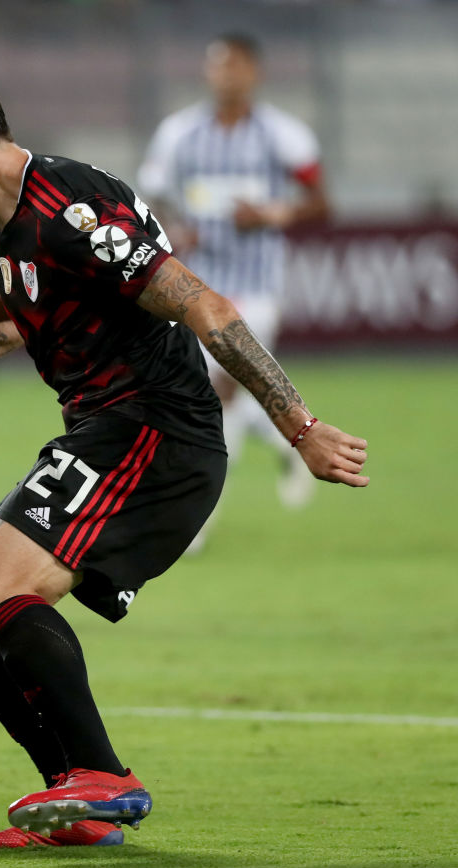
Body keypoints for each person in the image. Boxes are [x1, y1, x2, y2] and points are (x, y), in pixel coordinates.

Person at [0, 68, 368, 849]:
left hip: (156, 434)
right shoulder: (10, 220)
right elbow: (14, 312)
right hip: (105, 430)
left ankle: (105, 777)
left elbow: (203, 303)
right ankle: (71, 802)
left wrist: (297, 424)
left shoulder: (69, 211)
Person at [137, 34, 330, 547]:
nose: (227, 75)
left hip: (256, 286)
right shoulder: (179, 134)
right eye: (219, 66)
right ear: (208, 72)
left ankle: (194, 515)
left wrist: (268, 214)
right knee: (218, 391)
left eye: (237, 66)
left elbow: (319, 202)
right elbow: (148, 202)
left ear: (255, 73)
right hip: (195, 285)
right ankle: (290, 437)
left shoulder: (281, 135)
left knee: (217, 390)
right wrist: (175, 228)